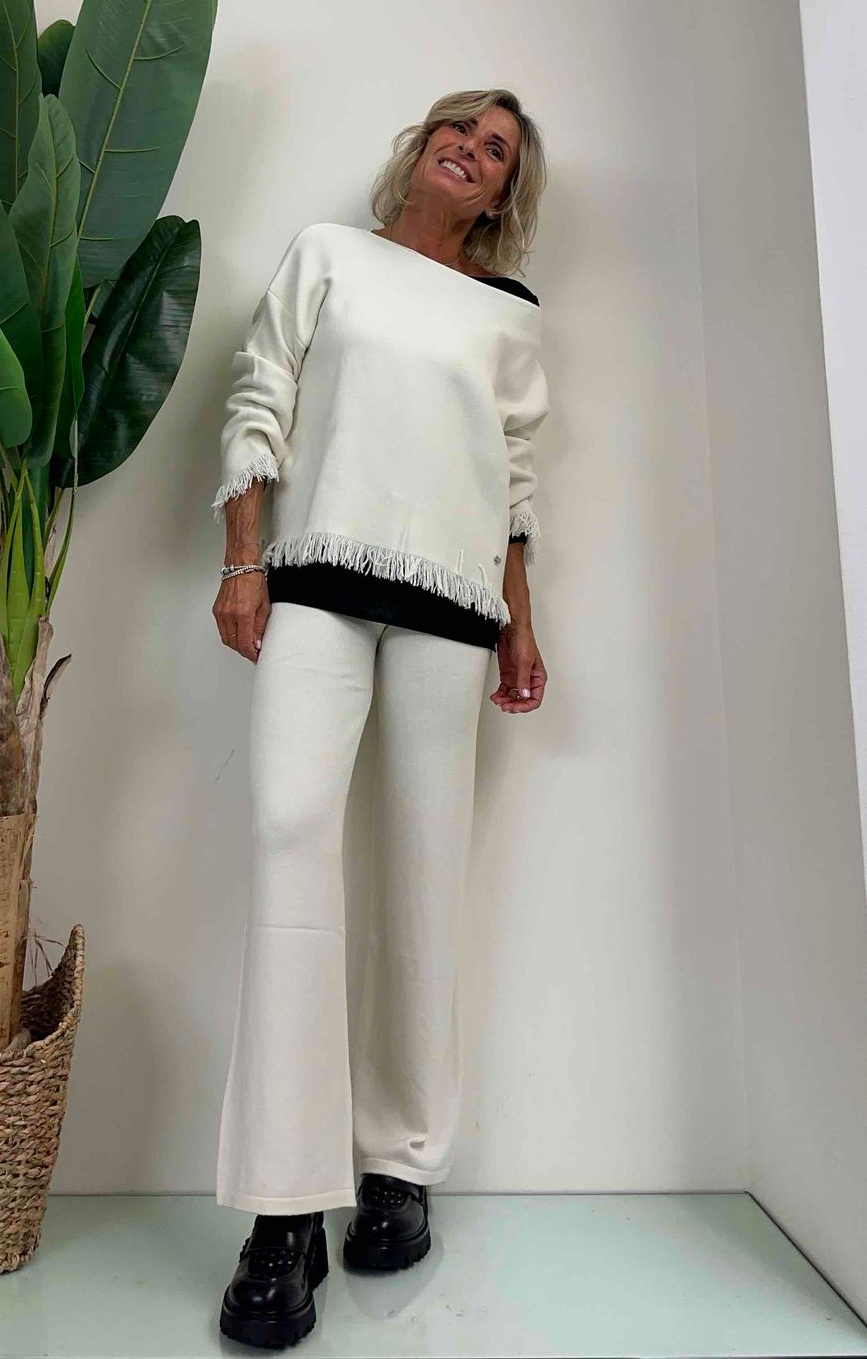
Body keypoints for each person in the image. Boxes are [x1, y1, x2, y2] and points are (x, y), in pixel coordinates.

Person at [210, 88, 550, 1349]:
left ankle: (399, 1165)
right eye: (459, 126)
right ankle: (282, 1207)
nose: (471, 146)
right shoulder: (327, 256)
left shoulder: (508, 317)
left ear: (502, 193)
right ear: (421, 144)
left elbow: (512, 484)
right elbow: (259, 397)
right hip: (317, 586)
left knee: (421, 875)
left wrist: (520, 622)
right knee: (287, 843)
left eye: (496, 148)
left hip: (453, 610)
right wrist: (243, 559)